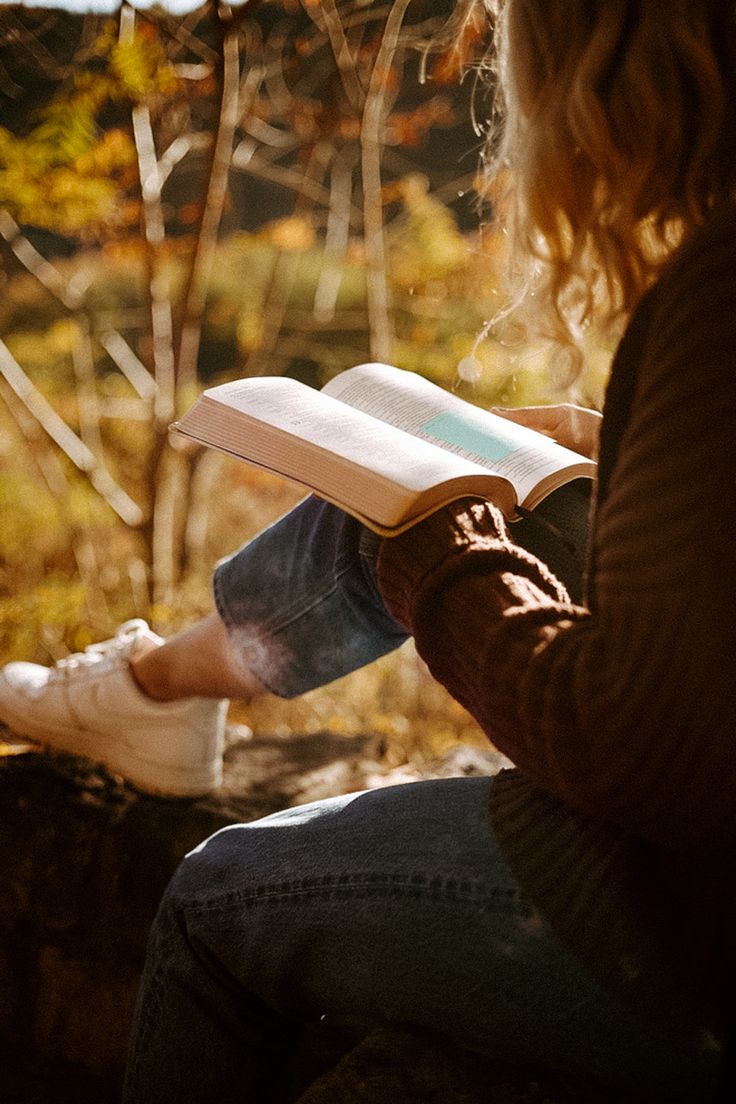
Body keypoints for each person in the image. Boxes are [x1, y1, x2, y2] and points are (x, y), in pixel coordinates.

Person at [1, 0, 734, 1099]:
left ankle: (155, 691)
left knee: (217, 896)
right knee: (415, 476)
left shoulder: (717, 293)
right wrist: (625, 448)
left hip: (698, 941)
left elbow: (642, 756)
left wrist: (444, 557)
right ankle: (158, 688)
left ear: (597, 65)